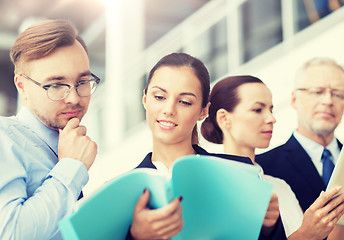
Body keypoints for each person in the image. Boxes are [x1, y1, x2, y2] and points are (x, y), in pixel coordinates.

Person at [127, 53, 284, 240]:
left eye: (185, 102)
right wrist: (135, 236)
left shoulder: (240, 172)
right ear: (145, 99)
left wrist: (269, 228)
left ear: (203, 111)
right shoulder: (126, 190)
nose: (169, 109)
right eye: (159, 97)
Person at [201, 75, 344, 239]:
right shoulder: (211, 184)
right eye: (257, 110)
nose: (271, 119)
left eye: (271, 109)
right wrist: (306, 234)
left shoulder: (281, 187)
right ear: (224, 118)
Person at [0, 19, 99, 240]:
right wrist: (72, 166)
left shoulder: (73, 145)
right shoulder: (3, 138)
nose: (74, 98)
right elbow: (9, 233)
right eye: (55, 85)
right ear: (22, 86)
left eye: (82, 81)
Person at [256, 58, 344, 213]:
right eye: (318, 92)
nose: (328, 100)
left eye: (338, 94)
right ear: (294, 99)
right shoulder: (263, 169)